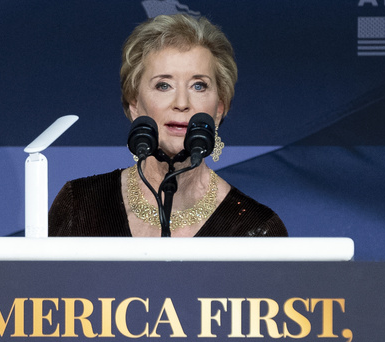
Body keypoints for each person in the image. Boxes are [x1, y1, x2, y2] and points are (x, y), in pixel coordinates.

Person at [49, 14, 287, 237]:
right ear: (134, 104)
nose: (181, 103)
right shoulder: (78, 205)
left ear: (219, 109)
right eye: (164, 85)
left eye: (198, 86)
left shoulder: (256, 229)